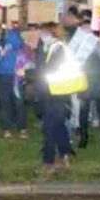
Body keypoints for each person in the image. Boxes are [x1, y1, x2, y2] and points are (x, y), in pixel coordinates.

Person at [37, 23, 72, 175]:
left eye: (44, 31)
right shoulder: (45, 47)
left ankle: (48, 161)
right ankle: (64, 154)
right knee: (58, 125)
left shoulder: (59, 48)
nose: (41, 34)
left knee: (49, 127)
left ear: (52, 33)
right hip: (48, 92)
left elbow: (50, 70)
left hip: (57, 92)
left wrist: (32, 74)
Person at [77, 11, 100, 151]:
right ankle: (84, 138)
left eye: (87, 29)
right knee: (83, 112)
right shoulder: (79, 45)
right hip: (84, 81)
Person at [0, 26, 27, 139]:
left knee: (19, 102)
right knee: (4, 102)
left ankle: (22, 127)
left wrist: (10, 45)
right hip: (2, 76)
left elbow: (22, 49)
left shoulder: (18, 46)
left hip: (16, 77)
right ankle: (7, 128)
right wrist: (0, 55)